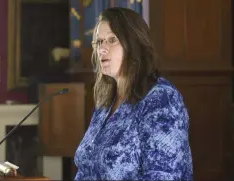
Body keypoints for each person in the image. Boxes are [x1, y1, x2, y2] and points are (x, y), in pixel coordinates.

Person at [74, 7, 193, 181]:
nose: (102, 49)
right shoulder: (105, 104)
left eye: (111, 40)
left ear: (134, 44)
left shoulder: (161, 100)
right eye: (99, 42)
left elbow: (163, 176)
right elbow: (85, 169)